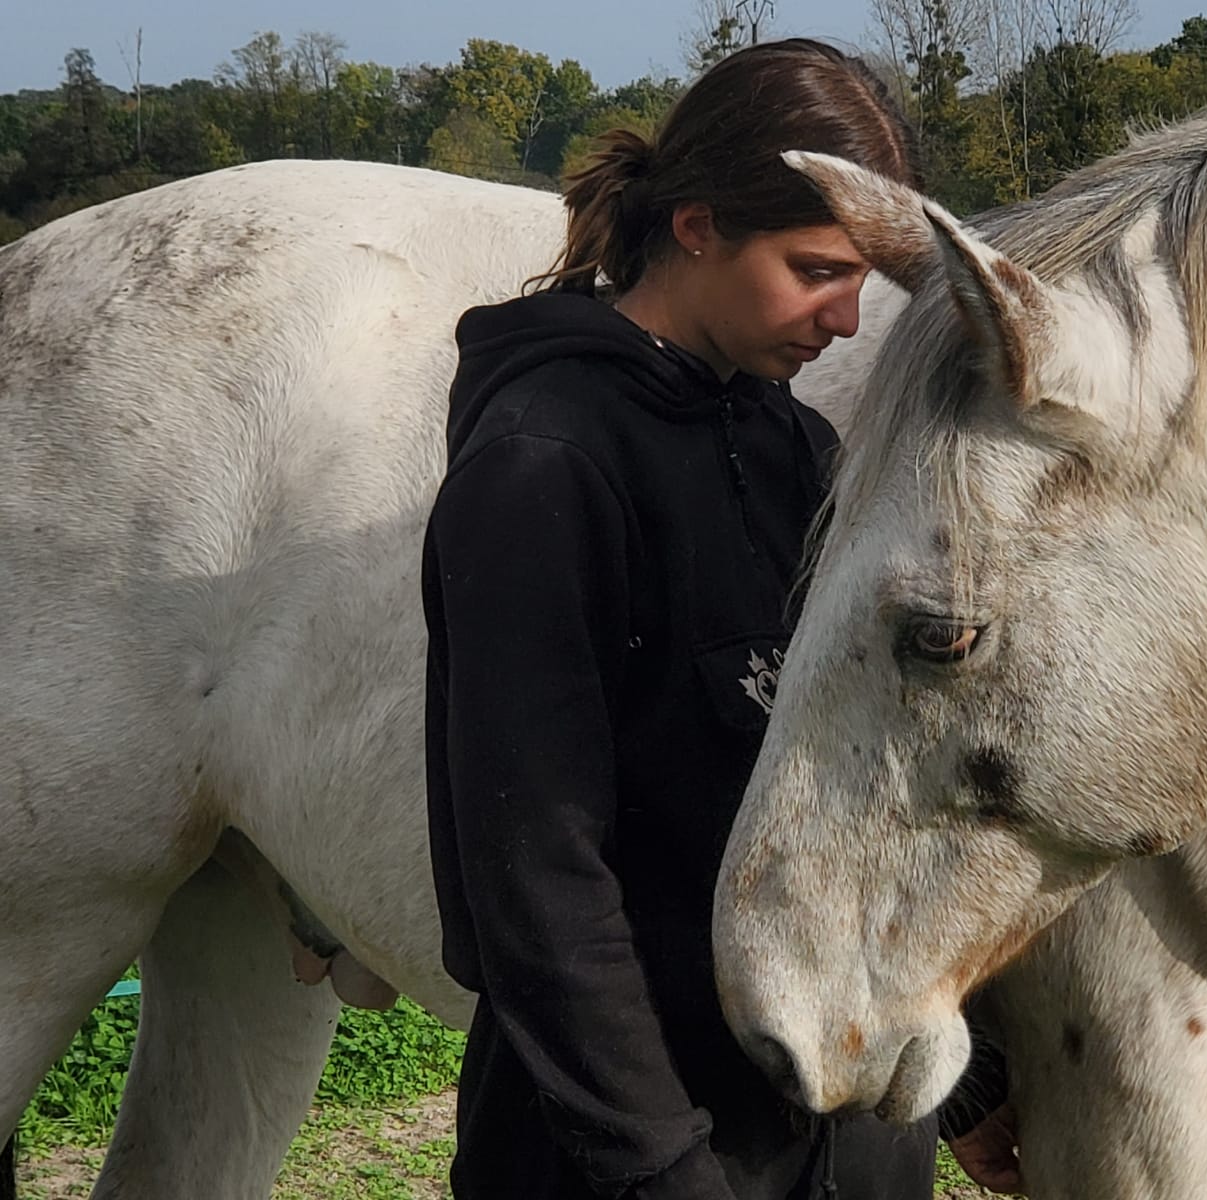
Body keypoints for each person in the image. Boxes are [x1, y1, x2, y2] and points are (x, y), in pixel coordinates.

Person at [422, 38, 942, 1200]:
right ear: (698, 225)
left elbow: (871, 796)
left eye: (863, 281)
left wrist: (975, 1086)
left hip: (833, 1136)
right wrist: (659, 1169)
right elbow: (536, 879)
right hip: (627, 1151)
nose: (847, 322)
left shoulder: (795, 445)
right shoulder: (542, 468)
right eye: (816, 270)